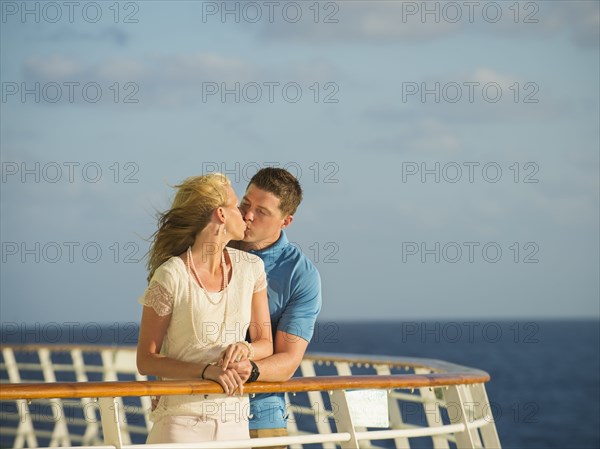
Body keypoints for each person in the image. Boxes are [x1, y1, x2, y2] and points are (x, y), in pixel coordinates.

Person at [136, 173, 273, 444]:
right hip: (181, 425)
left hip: (235, 423)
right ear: (221, 214)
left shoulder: (252, 269)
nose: (245, 215)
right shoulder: (172, 275)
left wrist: (247, 349)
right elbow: (146, 360)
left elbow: (265, 342)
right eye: (237, 206)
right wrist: (206, 371)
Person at [229, 167, 322, 447]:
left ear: (286, 221)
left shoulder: (300, 274)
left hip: (261, 419)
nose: (248, 215)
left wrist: (247, 369)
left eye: (262, 212)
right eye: (246, 203)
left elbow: (288, 361)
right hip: (194, 413)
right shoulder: (211, 243)